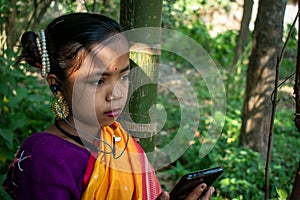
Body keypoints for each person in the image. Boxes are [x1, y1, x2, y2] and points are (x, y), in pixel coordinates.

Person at [2, 12, 215, 200]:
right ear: (56, 83)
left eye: (123, 77)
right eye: (98, 81)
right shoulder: (45, 157)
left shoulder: (116, 139)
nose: (116, 95)